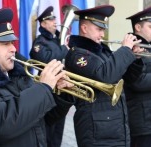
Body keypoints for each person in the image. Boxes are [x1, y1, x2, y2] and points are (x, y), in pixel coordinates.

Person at [0, 8, 75, 147]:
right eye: (5, 44)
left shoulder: (17, 77)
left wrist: (61, 95)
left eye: (12, 43)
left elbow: (43, 119)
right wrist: (43, 88)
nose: (13, 49)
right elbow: (3, 125)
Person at [64, 5, 144, 147]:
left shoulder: (103, 52)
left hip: (115, 129)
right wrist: (125, 49)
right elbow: (105, 76)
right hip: (96, 133)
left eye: (103, 30)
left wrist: (134, 58)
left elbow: (129, 79)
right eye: (99, 29)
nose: (102, 34)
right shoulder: (77, 54)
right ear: (84, 28)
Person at [30, 6, 69, 147]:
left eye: (54, 19)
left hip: (62, 89)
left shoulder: (57, 40)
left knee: (58, 131)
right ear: (43, 24)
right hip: (49, 91)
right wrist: (64, 49)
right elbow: (46, 60)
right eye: (50, 19)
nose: (54, 21)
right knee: (49, 131)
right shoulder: (39, 42)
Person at [123, 7, 151, 147]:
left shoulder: (149, 47)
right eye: (150, 26)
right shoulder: (132, 49)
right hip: (142, 120)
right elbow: (136, 81)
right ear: (138, 27)